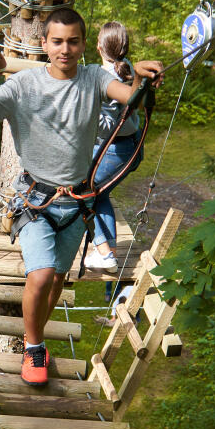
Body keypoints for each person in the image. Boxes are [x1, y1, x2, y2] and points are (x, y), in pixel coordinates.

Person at [0, 8, 162, 386]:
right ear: (44, 44)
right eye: (57, 41)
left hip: (77, 204)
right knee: (39, 277)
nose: (65, 49)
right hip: (36, 202)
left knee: (56, 279)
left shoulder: (93, 78)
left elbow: (128, 95)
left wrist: (140, 77)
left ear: (84, 44)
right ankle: (34, 345)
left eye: (73, 41)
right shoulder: (25, 86)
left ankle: (32, 334)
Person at [84, 21, 143, 274]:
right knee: (101, 195)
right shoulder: (127, 67)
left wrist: (84, 111)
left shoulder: (107, 78)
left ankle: (105, 254)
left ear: (98, 47)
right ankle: (108, 253)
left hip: (117, 150)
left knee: (84, 192)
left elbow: (107, 126)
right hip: (132, 146)